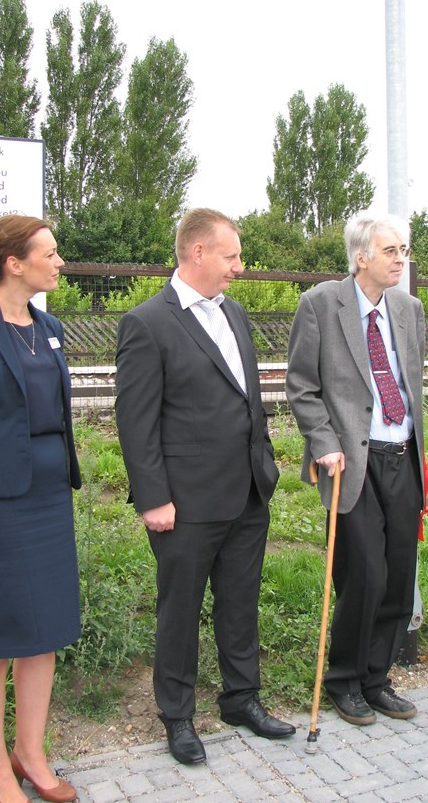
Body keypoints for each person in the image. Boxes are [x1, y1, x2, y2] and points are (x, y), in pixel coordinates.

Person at [115, 208, 295, 766]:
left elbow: (248, 399)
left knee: (239, 604)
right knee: (181, 608)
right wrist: (153, 498)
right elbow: (135, 420)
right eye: (231, 256)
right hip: (185, 503)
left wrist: (263, 461)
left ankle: (242, 698)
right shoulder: (147, 322)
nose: (239, 267)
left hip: (246, 492)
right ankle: (178, 715)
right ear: (197, 253)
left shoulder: (233, 313)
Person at [285, 214, 425, 726]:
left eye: (403, 250)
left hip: (403, 457)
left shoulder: (410, 309)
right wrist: (323, 442)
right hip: (350, 462)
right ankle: (343, 680)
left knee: (397, 576)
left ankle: (377, 677)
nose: (400, 259)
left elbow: (408, 382)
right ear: (361, 256)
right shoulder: (322, 303)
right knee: (363, 573)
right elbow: (301, 384)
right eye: (390, 251)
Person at [0, 215, 81, 803]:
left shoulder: (50, 327)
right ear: (15, 263)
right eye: (51, 253)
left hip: (47, 496)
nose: (60, 262)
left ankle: (30, 753)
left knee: (44, 630)